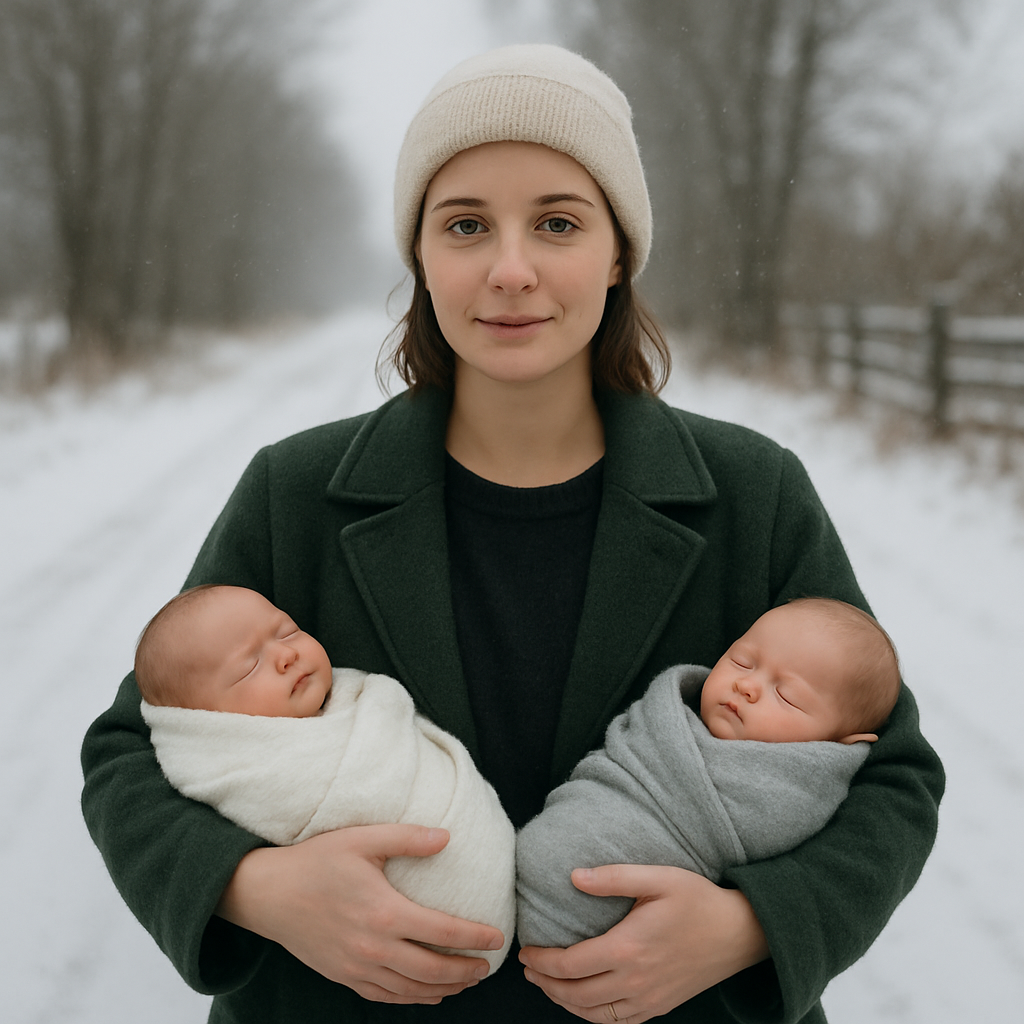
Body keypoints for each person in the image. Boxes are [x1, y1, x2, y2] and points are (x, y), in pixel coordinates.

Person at [81, 43, 943, 1024]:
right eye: (464, 225)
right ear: (420, 255)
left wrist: (749, 927)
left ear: (617, 251)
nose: (510, 269)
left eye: (557, 222)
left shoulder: (753, 494)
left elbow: (891, 776)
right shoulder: (296, 493)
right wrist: (259, 890)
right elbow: (131, 752)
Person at [133, 583, 516, 975]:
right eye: (248, 667)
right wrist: (248, 888)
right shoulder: (245, 771)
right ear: (209, 723)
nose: (286, 654)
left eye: (287, 631)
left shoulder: (349, 698)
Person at [516, 598, 900, 948]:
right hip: (522, 853)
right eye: (741, 661)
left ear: (837, 746)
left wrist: (747, 926)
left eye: (787, 696)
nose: (746, 685)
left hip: (616, 935)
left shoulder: (795, 794)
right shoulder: (670, 718)